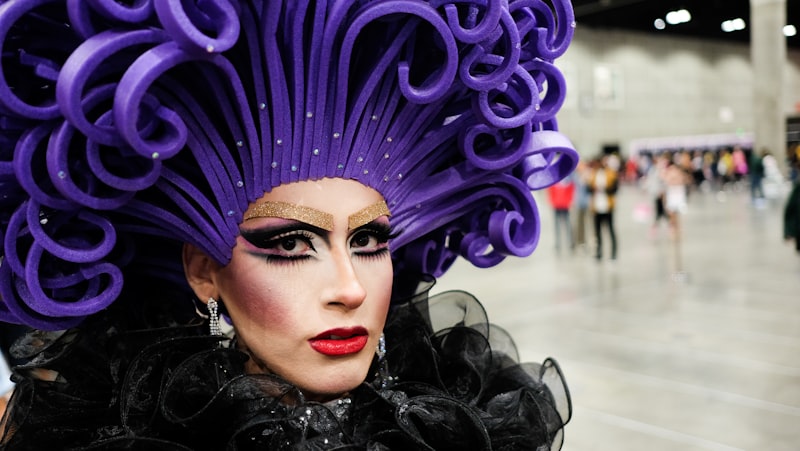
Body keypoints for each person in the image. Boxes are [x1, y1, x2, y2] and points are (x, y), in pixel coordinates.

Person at [0, 0, 577, 449]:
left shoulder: (460, 421)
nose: (350, 289)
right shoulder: (112, 430)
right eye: (292, 244)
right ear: (204, 272)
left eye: (367, 239)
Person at [588, 156, 619, 261]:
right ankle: (599, 252)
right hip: (597, 206)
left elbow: (615, 189)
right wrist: (594, 188)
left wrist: (604, 188)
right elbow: (589, 188)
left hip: (608, 205)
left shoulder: (611, 173)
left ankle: (613, 252)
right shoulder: (594, 173)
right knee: (597, 231)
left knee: (610, 229)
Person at [547, 176, 576, 253]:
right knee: (557, 226)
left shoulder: (568, 181)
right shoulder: (555, 182)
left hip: (565, 206)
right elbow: (551, 192)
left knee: (567, 225)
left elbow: (571, 192)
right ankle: (558, 243)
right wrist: (552, 202)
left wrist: (569, 202)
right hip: (557, 205)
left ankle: (570, 242)